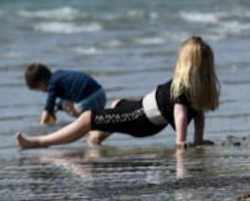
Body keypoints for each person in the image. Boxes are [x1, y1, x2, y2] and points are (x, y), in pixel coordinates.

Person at [16, 36, 220, 149]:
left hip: (140, 118)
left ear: (184, 63)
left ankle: (39, 142)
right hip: (140, 112)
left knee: (88, 117)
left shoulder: (182, 88)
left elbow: (181, 113)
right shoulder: (196, 88)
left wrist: (181, 141)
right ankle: (96, 139)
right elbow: (198, 114)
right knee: (117, 105)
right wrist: (198, 140)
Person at [25, 63, 107, 125]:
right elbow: (57, 105)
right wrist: (55, 109)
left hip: (88, 101)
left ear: (41, 83)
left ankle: (84, 123)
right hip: (101, 94)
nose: (43, 92)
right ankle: (95, 121)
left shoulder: (52, 84)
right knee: (62, 103)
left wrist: (42, 124)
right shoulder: (59, 75)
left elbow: (49, 106)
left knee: (64, 104)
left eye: (39, 89)